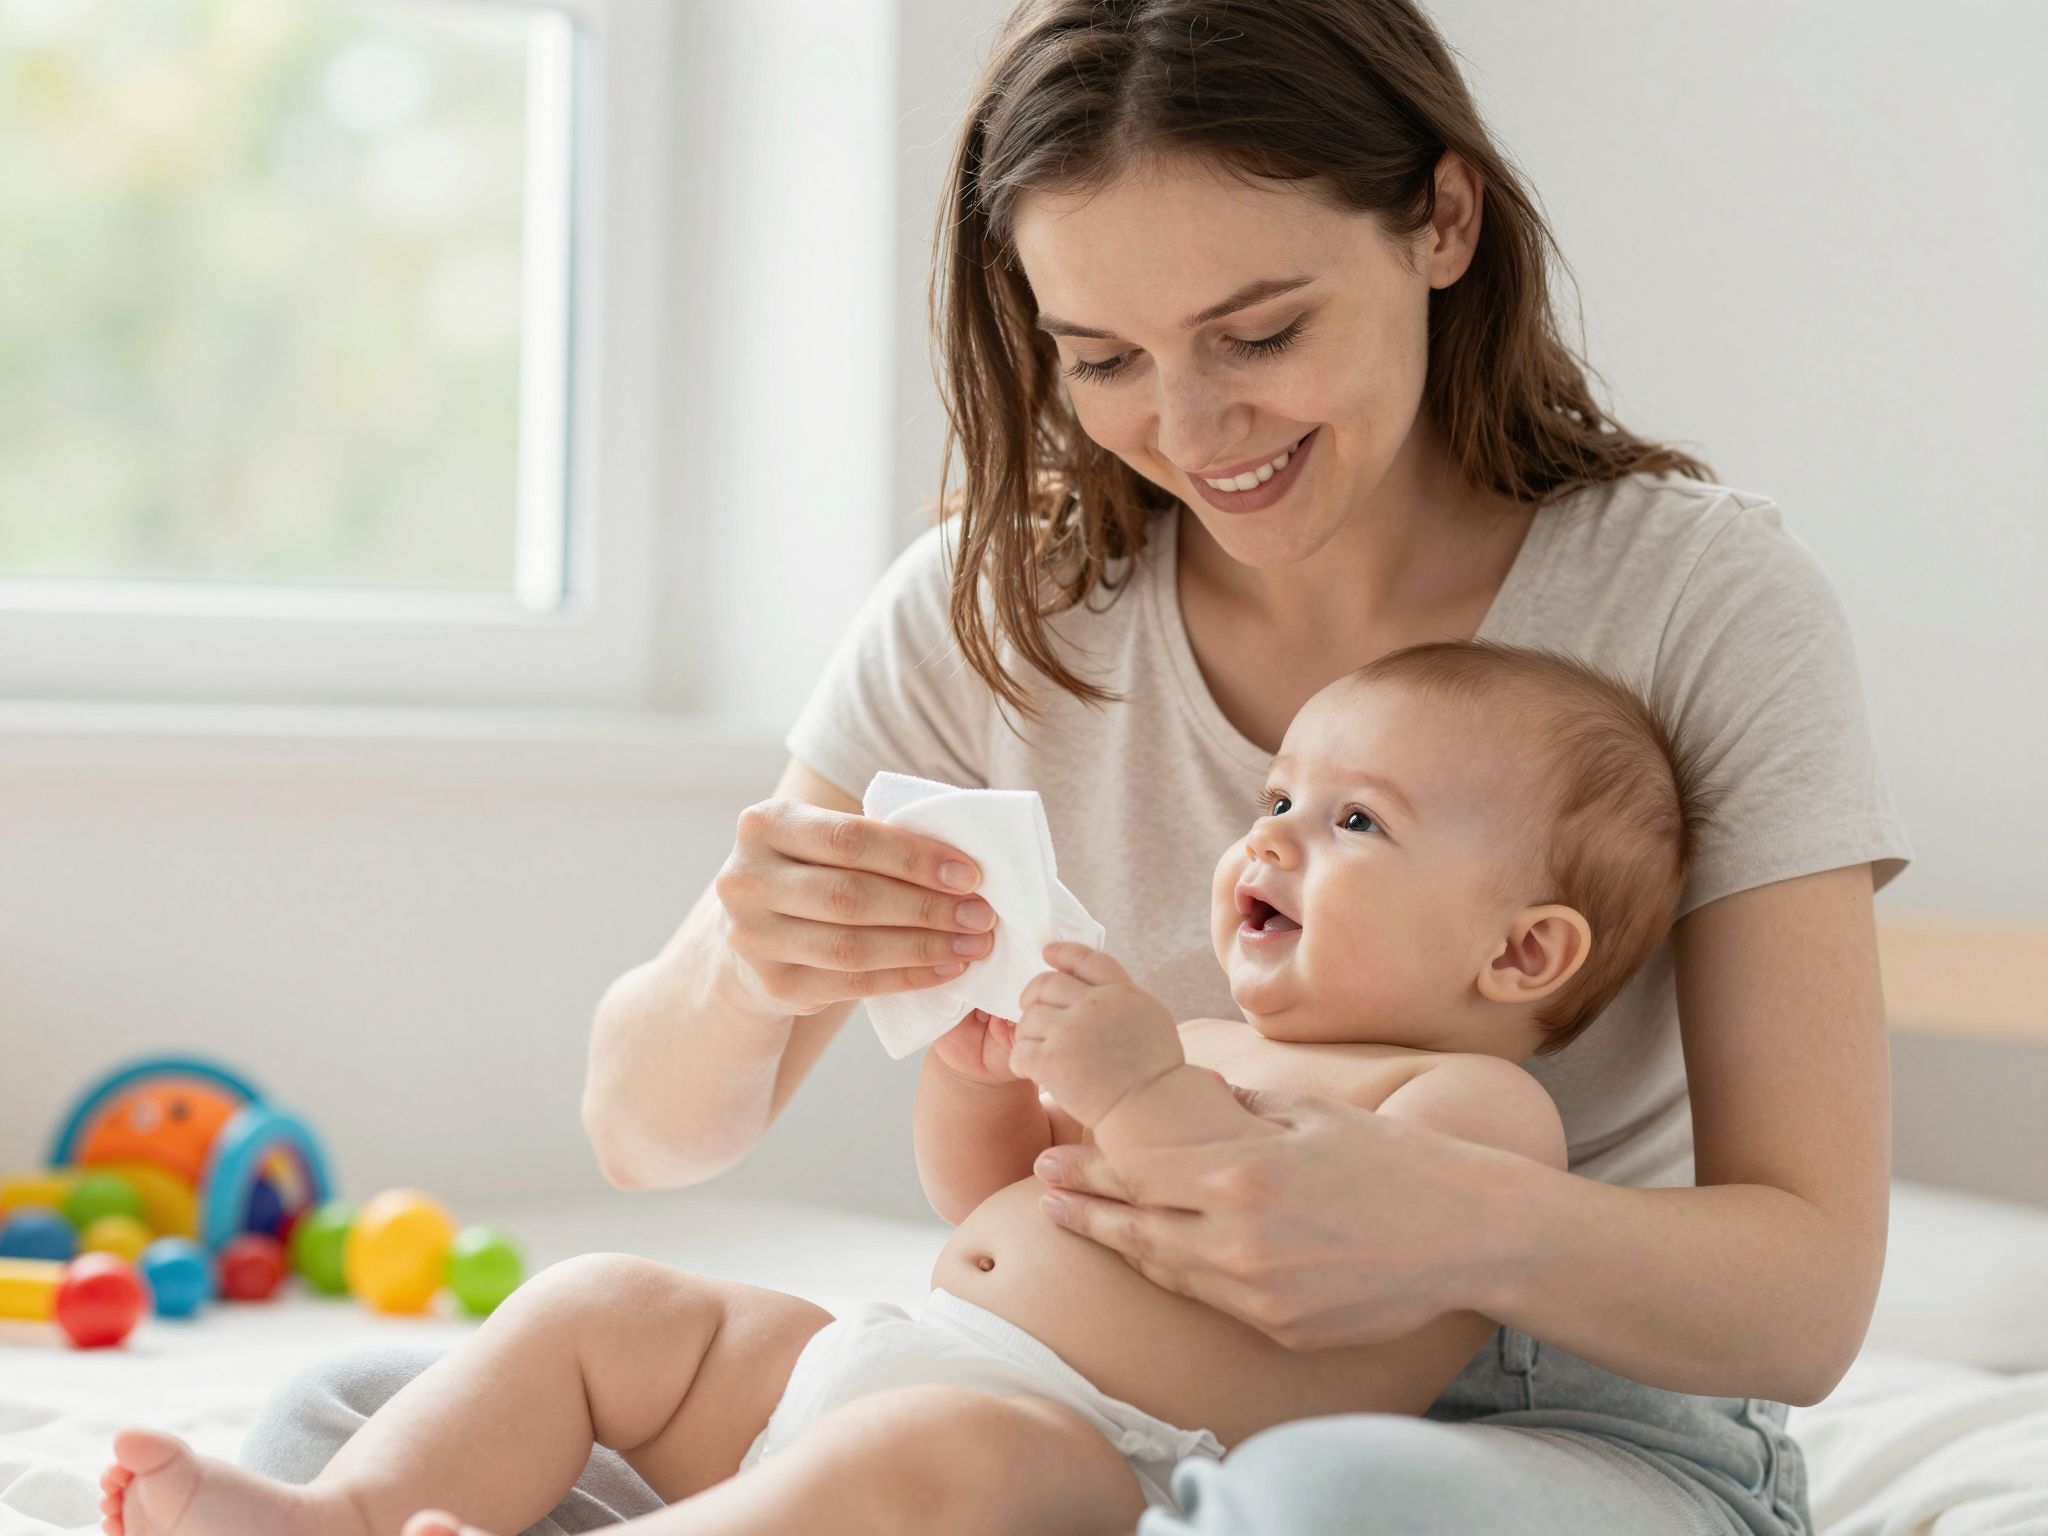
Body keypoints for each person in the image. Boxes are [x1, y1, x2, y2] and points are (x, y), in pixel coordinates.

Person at [238, 1, 1910, 1532]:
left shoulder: (1694, 598)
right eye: (1102, 357)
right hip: (1063, 1389)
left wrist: (1450, 1231)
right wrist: (761, 969)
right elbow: (646, 1134)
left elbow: (1810, 1300)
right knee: (357, 1406)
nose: (1191, 430)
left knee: (1323, 1501)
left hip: (1547, 1430)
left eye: (1257, 332)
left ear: (1442, 223)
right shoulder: (1001, 604)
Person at [108, 642, 1703, 1536]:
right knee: (609, 1309)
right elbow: (989, 1201)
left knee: (920, 1462)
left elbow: (1313, 1286)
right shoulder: (1207, 1035)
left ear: (1523, 952)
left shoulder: (1480, 1118)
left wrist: (1140, 1088)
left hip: (1095, 1459)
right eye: (1278, 794)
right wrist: (984, 1075)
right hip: (898, 1349)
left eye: (1358, 824)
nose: (1272, 838)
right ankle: (345, 1519)